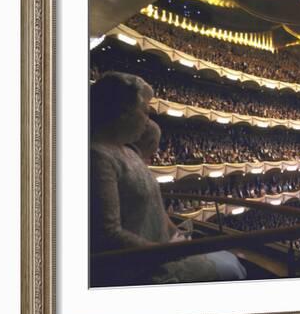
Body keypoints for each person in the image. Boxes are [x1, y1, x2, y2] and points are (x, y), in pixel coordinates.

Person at [90, 71, 246, 284]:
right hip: (142, 266)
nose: (147, 121)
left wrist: (176, 238)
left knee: (230, 258)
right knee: (232, 267)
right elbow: (107, 235)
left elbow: (155, 206)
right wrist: (167, 252)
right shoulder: (97, 156)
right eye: (145, 112)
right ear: (124, 112)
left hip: (160, 250)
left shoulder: (127, 152)